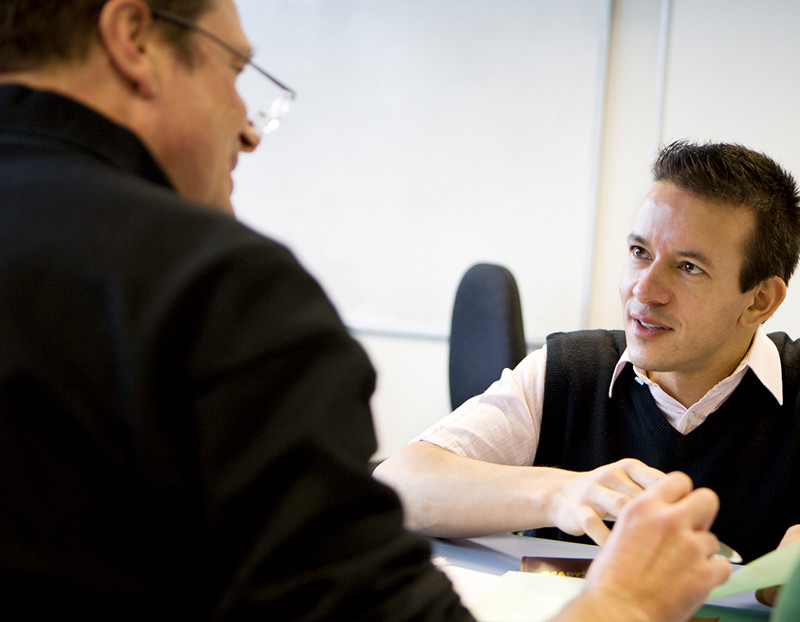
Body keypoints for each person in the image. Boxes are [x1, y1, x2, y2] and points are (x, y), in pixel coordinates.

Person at [0, 1, 730, 620]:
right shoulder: (214, 286)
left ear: (762, 299)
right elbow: (396, 497)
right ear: (132, 37)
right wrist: (622, 603)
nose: (248, 128)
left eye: (689, 266)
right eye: (232, 70)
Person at [375, 140, 800, 564]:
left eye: (689, 267)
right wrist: (560, 492)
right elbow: (397, 484)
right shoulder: (573, 369)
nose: (643, 290)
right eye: (640, 253)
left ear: (759, 300)